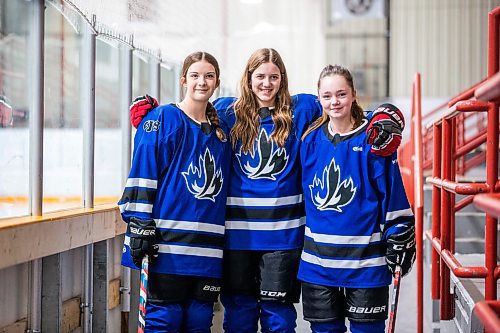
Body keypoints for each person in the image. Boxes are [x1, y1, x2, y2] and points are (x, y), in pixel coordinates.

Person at [129, 48, 405, 333]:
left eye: (274, 77)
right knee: (239, 314)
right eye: (260, 76)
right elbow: (192, 114)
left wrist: (384, 118)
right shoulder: (227, 112)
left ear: (282, 79)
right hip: (238, 237)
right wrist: (152, 118)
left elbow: (340, 110)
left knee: (278, 317)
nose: (267, 83)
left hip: (282, 237)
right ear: (249, 79)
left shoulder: (301, 109)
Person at [118, 51, 232, 332]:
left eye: (208, 76)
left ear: (216, 82)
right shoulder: (164, 118)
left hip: (208, 251)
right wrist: (139, 222)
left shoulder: (222, 133)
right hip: (167, 247)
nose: (201, 82)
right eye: (195, 75)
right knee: (165, 320)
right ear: (183, 80)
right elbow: (143, 171)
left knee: (198, 321)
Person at [298, 64, 415, 333]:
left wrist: (400, 231)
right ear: (319, 99)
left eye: (341, 94)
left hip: (366, 264)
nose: (334, 101)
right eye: (327, 96)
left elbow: (392, 195)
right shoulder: (309, 140)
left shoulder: (375, 142)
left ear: (353, 95)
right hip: (318, 264)